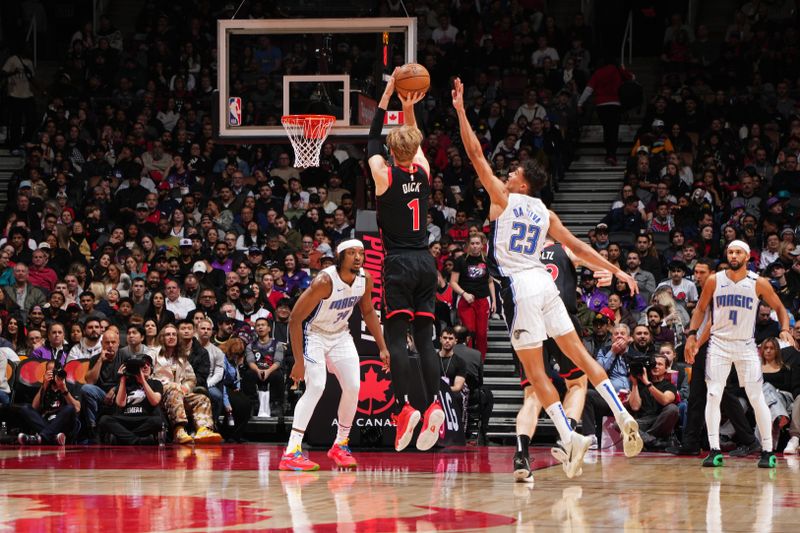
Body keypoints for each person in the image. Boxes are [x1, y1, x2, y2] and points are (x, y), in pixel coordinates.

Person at [453, 78, 643, 484]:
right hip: (546, 285)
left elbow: (473, 154)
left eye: (513, 171)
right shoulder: (545, 212)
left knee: (535, 373)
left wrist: (460, 110)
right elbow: (581, 247)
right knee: (580, 357)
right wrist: (619, 270)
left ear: (521, 183)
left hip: (521, 288)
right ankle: (622, 412)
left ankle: (565, 435)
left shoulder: (502, 200)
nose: (506, 173)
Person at [367, 73, 444, 452]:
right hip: (426, 262)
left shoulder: (384, 175)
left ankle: (404, 409)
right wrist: (409, 105)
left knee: (397, 340)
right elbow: (415, 136)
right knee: (426, 341)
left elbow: (370, 138)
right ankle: (432, 405)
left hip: (397, 262)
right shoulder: (425, 172)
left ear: (390, 151)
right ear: (415, 149)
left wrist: (387, 96)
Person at [279, 240, 390, 471]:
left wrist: (382, 346)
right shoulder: (324, 281)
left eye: (361, 253)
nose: (358, 257)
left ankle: (340, 444)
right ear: (340, 257)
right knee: (317, 386)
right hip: (314, 335)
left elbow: (368, 311)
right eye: (352, 253)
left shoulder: (365, 280)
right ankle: (292, 451)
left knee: (353, 386)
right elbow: (295, 319)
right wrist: (298, 361)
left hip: (340, 334)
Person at [685, 240, 796, 468]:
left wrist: (784, 328)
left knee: (756, 397)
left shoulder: (759, 283)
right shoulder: (715, 280)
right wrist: (692, 334)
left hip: (745, 345)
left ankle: (767, 450)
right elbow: (700, 309)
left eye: (738, 252)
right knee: (714, 394)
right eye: (730, 252)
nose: (734, 255)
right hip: (718, 344)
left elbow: (780, 308)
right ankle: (714, 449)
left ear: (747, 257)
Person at [666, 258, 757, 457]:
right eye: (696, 272)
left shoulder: (718, 288)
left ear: (712, 273)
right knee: (697, 396)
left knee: (723, 395)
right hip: (706, 347)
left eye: (701, 272)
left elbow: (712, 323)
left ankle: (750, 440)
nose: (697, 276)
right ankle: (691, 442)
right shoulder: (706, 289)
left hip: (714, 346)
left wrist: (696, 344)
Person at [98, 353, 164, 445]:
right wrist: (122, 379)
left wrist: (143, 381)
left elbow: (155, 401)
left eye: (148, 364)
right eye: (141, 365)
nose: (145, 366)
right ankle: (137, 440)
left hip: (144, 420)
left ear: (151, 368)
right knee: (104, 420)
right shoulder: (126, 384)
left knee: (158, 421)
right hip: (125, 420)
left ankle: (124, 438)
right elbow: (120, 403)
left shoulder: (155, 383)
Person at [450, 234, 495, 360]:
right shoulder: (461, 260)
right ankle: (468, 360)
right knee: (469, 331)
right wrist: (464, 294)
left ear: (482, 245)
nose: (475, 246)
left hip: (483, 300)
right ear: (468, 245)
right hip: (465, 300)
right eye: (472, 243)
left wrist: (494, 301)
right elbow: (453, 282)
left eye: (477, 243)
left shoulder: (487, 261)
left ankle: (480, 362)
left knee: (481, 333)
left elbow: (490, 282)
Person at [16, 360, 81, 445]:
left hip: (63, 424)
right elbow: (34, 407)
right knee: (25, 408)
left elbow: (77, 408)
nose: (54, 374)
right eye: (50, 372)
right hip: (46, 422)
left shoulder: (70, 385)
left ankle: (41, 438)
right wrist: (43, 386)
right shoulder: (44, 386)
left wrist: (64, 390)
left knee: (69, 408)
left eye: (55, 371)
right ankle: (54, 438)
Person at [628, 353, 679, 449]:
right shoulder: (639, 384)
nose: (656, 366)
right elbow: (635, 407)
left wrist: (648, 383)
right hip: (643, 421)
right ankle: (652, 441)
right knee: (618, 423)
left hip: (660, 420)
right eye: (653, 364)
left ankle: (644, 438)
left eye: (660, 364)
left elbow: (665, 400)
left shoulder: (669, 385)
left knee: (673, 409)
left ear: (666, 368)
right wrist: (634, 384)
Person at [243, 317, 285, 418]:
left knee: (277, 375)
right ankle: (253, 404)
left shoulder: (278, 345)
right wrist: (258, 370)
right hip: (256, 370)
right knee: (248, 374)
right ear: (255, 329)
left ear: (269, 328)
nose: (260, 327)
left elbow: (278, 361)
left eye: (263, 325)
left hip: (271, 370)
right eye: (258, 325)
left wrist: (268, 371)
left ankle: (275, 405)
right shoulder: (250, 346)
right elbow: (250, 361)